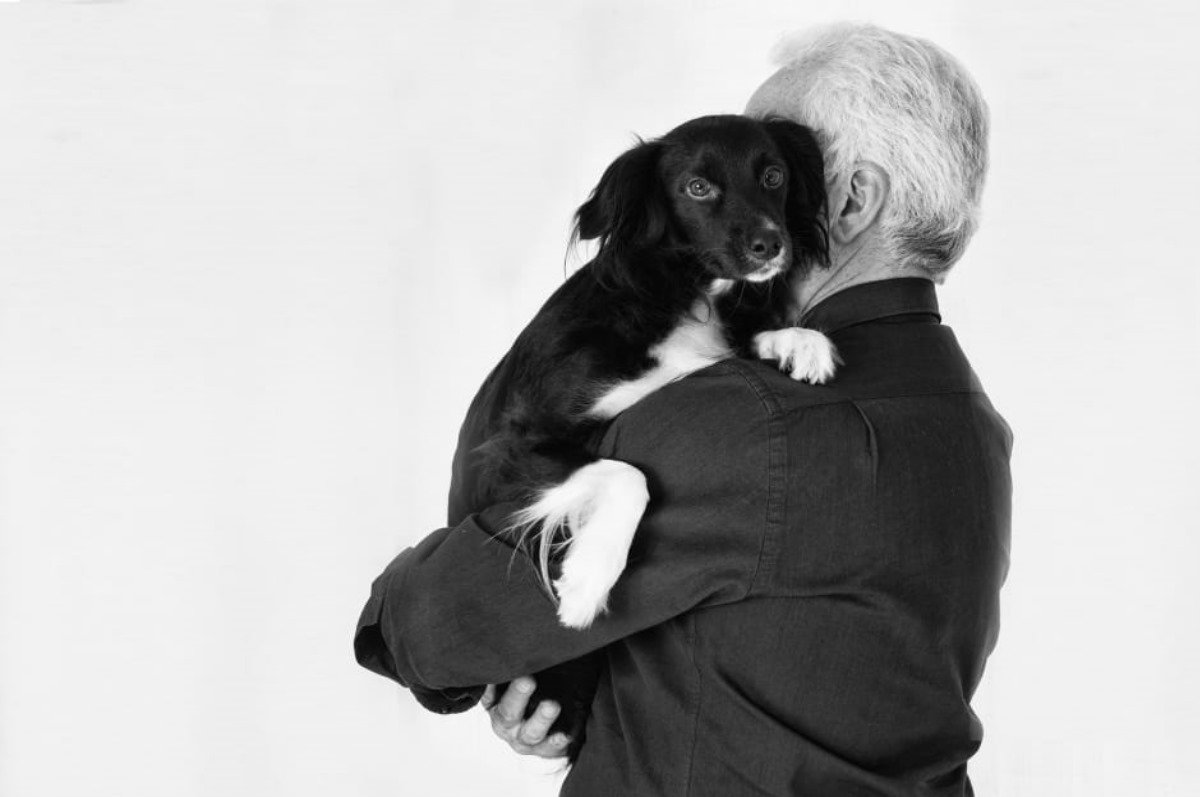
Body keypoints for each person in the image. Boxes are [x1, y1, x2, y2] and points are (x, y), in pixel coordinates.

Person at [354, 21, 1011, 797]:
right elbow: (798, 664)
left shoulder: (742, 423)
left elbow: (428, 627)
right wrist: (577, 695)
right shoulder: (970, 418)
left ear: (851, 200)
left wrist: (442, 637)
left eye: (778, 167)